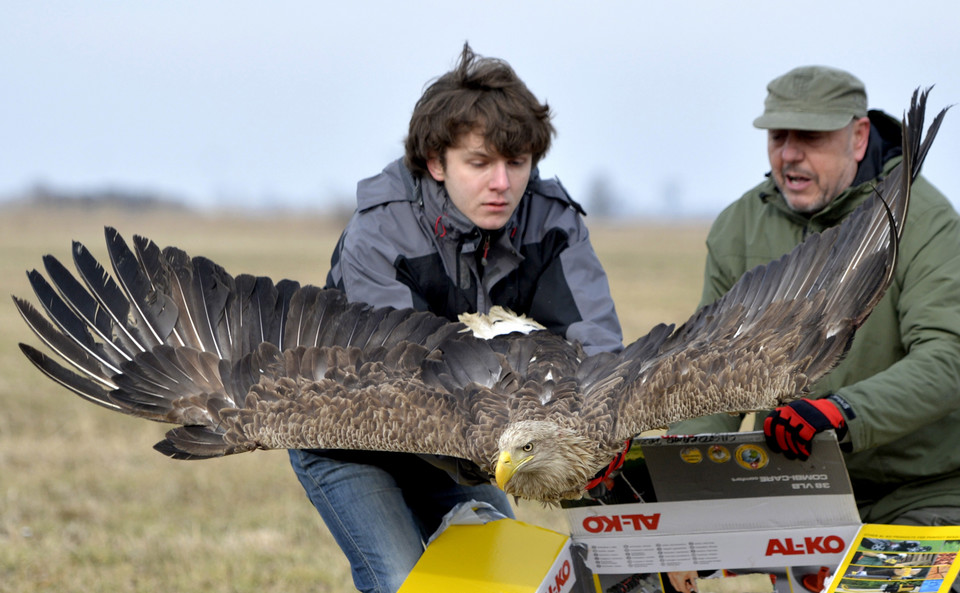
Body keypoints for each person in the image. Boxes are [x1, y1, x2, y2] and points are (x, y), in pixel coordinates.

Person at [288, 43, 623, 593]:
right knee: (401, 579)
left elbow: (596, 348)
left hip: (467, 448)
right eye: (480, 162)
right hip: (351, 435)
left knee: (500, 575)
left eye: (516, 164)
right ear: (435, 163)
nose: (502, 183)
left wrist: (592, 435)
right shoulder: (380, 233)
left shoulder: (552, 222)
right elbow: (405, 380)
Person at [669, 66, 960, 570]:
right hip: (798, 492)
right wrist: (682, 481)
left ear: (858, 136)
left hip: (921, 491)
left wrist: (843, 412)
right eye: (778, 136)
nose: (789, 154)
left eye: (811, 137)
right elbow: (709, 373)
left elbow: (948, 357)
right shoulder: (740, 228)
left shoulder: (925, 218)